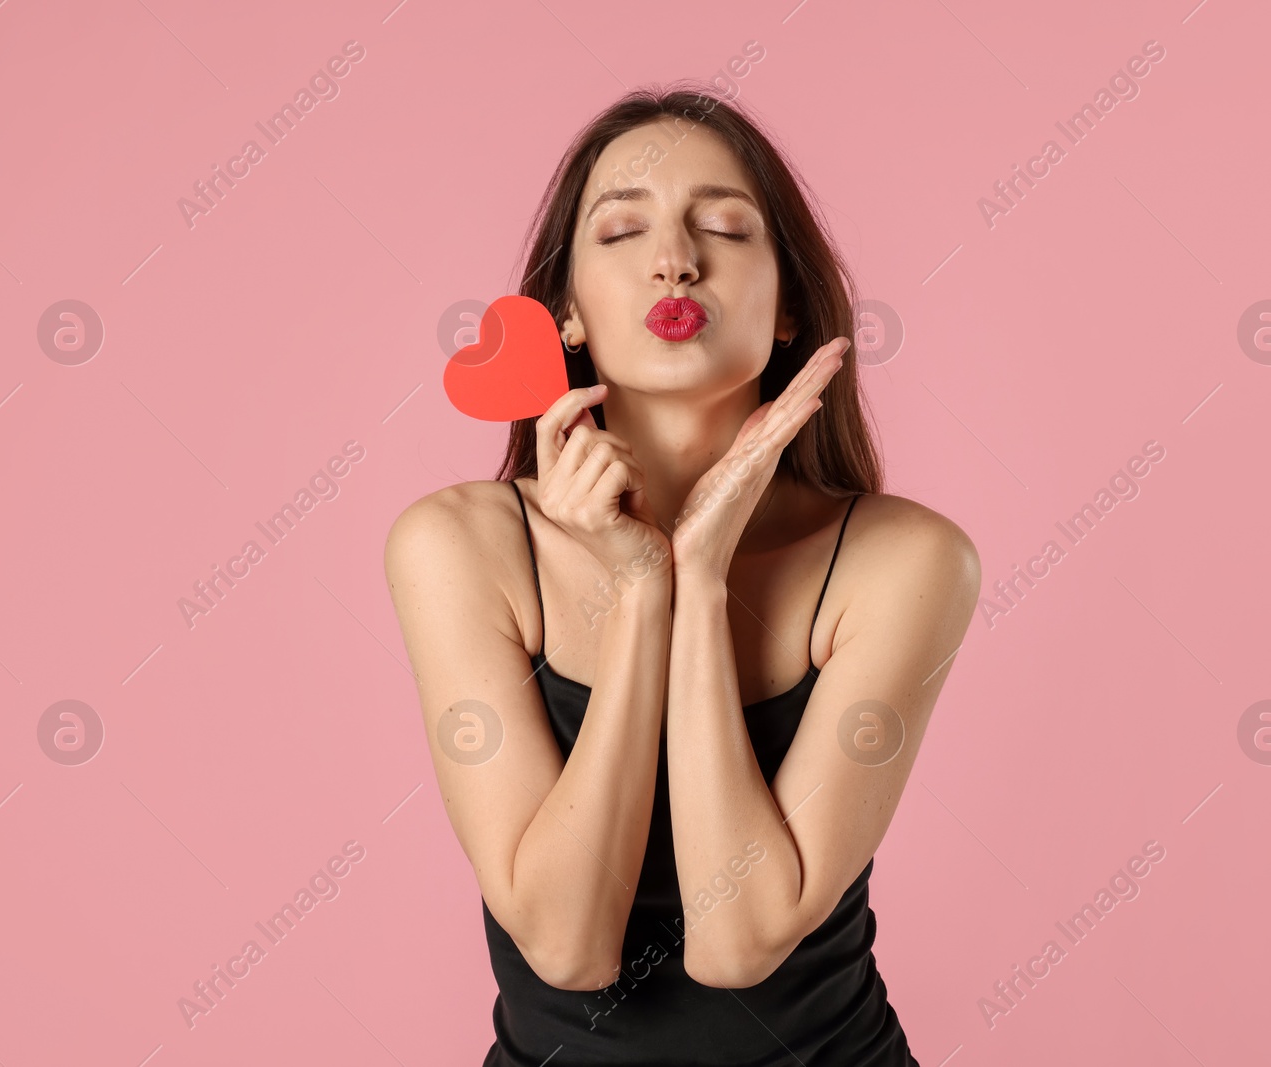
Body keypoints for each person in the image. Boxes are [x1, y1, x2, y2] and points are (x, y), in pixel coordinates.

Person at [385, 85, 980, 1066]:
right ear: (567, 313)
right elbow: (566, 946)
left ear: (787, 304)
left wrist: (698, 579)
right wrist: (640, 591)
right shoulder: (458, 545)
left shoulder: (904, 560)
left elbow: (741, 937)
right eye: (622, 230)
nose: (675, 257)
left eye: (723, 227)